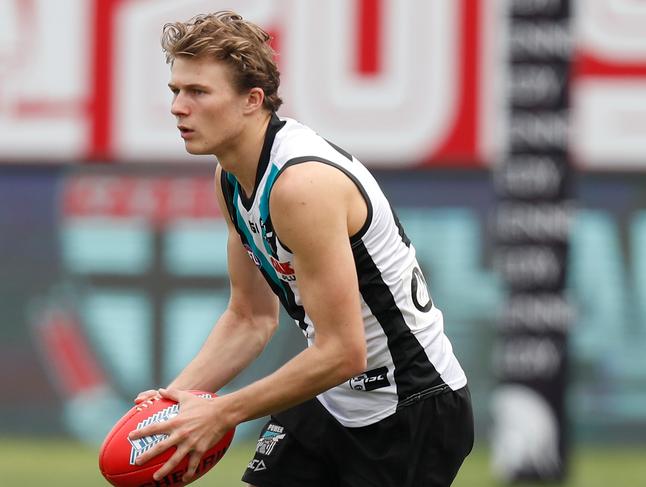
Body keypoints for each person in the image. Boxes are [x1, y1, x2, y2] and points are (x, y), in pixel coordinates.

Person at [129, 10, 474, 487]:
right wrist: (173, 403)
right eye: (176, 91)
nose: (178, 107)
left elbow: (342, 352)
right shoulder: (230, 178)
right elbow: (250, 318)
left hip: (411, 405)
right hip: (335, 398)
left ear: (252, 100)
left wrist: (221, 413)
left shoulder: (300, 185)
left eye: (198, 92)